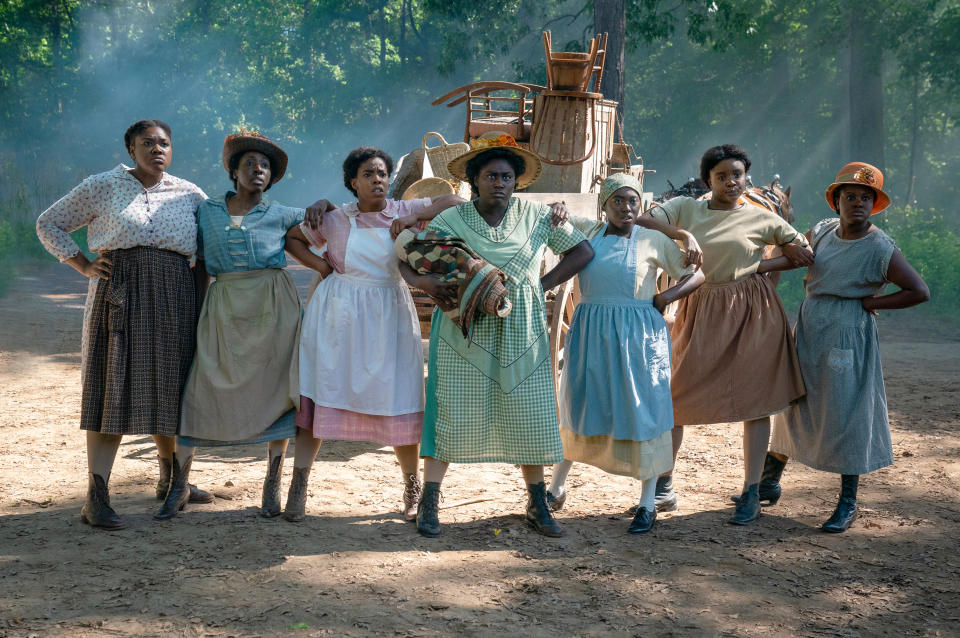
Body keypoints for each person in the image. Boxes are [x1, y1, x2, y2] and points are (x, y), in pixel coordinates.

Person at [401, 134, 594, 538]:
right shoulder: (450, 220)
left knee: (530, 411)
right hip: (462, 329)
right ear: (474, 180)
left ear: (517, 181)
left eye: (507, 176)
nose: (500, 183)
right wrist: (427, 284)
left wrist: (541, 285)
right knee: (450, 410)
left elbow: (582, 251)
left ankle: (537, 502)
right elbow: (413, 255)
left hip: (521, 328)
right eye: (490, 176)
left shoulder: (539, 216)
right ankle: (430, 502)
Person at [36, 119, 212, 529]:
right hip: (119, 295)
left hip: (176, 299)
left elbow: (208, 249)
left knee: (174, 387)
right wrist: (81, 264)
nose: (157, 149)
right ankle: (96, 497)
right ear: (130, 150)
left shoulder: (190, 194)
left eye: (164, 143)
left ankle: (173, 479)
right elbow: (49, 222)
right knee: (110, 389)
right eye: (147, 143)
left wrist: (202, 301)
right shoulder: (103, 185)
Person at [283, 146, 464, 523]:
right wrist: (322, 266)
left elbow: (455, 201)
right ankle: (298, 486)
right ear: (353, 182)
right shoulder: (333, 218)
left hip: (388, 313)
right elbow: (293, 240)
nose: (377, 179)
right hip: (337, 314)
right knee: (320, 392)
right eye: (368, 174)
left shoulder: (402, 211)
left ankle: (411, 487)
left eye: (382, 173)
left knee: (399, 396)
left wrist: (420, 213)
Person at [156, 130, 328, 519]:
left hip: (274, 305)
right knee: (200, 387)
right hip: (223, 303)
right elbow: (197, 262)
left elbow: (330, 222)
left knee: (281, 389)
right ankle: (179, 484)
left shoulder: (283, 214)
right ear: (234, 171)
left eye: (265, 166)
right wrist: (197, 309)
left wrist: (322, 202)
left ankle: (273, 483)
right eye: (250, 163)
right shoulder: (206, 211)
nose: (258, 170)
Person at [646, 144, 814, 525]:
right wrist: (683, 235)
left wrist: (760, 265)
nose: (730, 182)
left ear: (746, 178)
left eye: (736, 175)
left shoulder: (760, 218)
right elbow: (643, 220)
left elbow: (803, 251)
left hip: (752, 312)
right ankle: (664, 485)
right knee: (676, 396)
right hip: (700, 306)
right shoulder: (687, 209)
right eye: (721, 176)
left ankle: (751, 490)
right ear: (708, 180)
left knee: (755, 403)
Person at [762, 162, 929, 533]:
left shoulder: (880, 246)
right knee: (795, 400)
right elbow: (796, 258)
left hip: (848, 330)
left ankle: (848, 502)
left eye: (865, 198)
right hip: (810, 324)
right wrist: (756, 266)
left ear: (874, 204)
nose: (857, 203)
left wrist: (872, 304)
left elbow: (918, 291)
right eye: (850, 196)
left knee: (845, 411)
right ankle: (769, 480)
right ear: (836, 200)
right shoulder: (821, 231)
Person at [543, 173, 705, 534]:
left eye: (632, 201)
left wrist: (665, 298)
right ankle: (556, 488)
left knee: (642, 407)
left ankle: (648, 502)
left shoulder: (653, 240)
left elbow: (696, 275)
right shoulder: (588, 229)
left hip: (637, 335)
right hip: (591, 332)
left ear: (640, 206)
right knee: (582, 403)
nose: (626, 208)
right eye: (618, 200)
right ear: (604, 204)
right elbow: (557, 220)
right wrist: (558, 207)